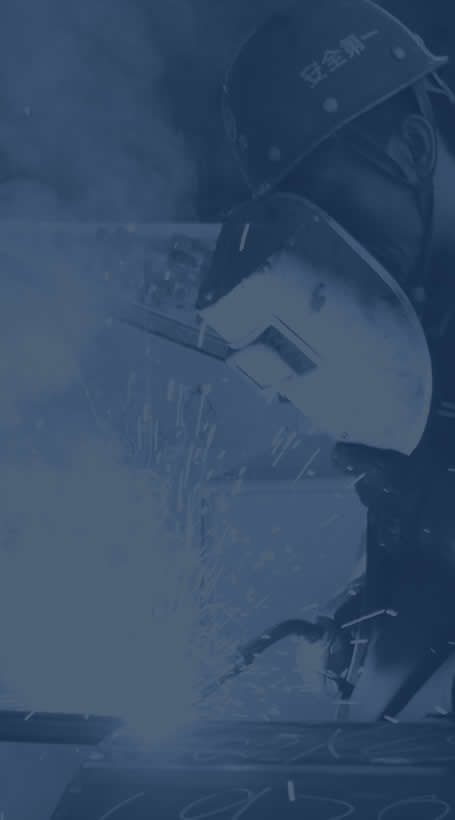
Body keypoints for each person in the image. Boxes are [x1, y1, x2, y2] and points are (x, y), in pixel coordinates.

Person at [197, 0, 455, 720]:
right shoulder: (419, 299)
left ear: (413, 148)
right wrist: (363, 609)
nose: (332, 251)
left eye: (333, 210)